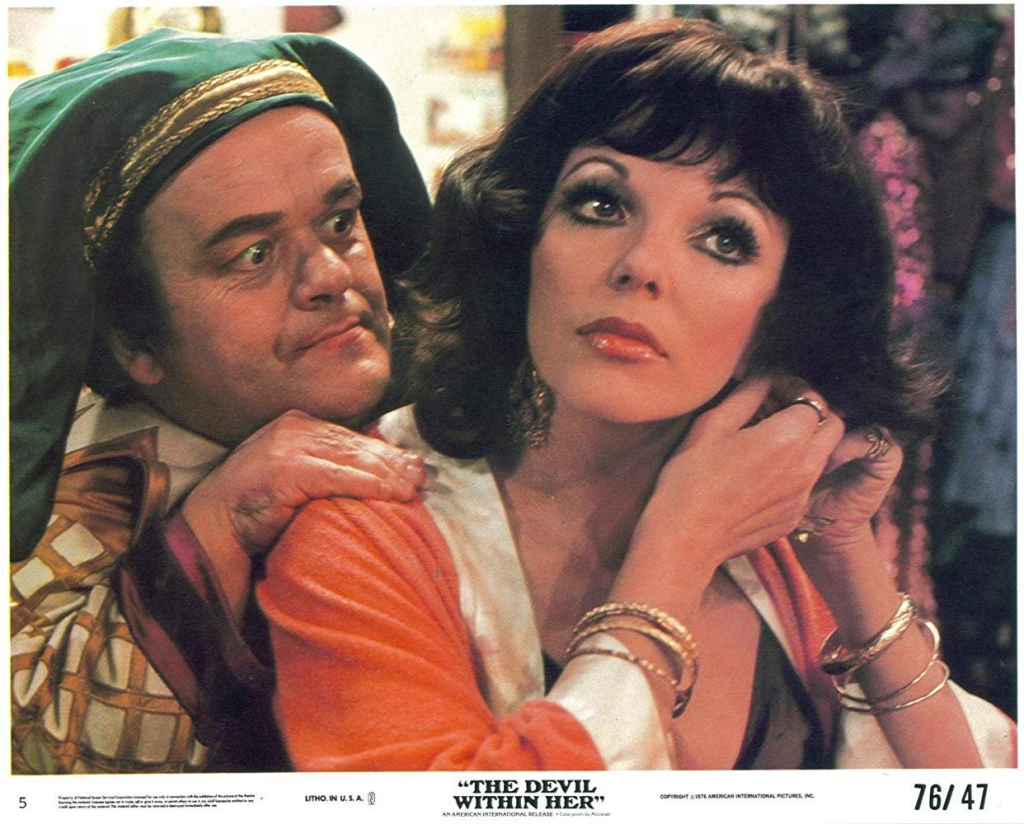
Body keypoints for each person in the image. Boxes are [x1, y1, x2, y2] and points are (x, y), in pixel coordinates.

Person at [259, 20, 1016, 770]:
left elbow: (973, 795)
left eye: (724, 237)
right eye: (600, 204)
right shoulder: (363, 530)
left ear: (779, 312)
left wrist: (847, 560)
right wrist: (679, 545)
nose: (642, 265)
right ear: (524, 235)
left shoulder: (773, 527)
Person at [10, 28, 431, 773]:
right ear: (132, 341)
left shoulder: (465, 401)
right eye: (254, 255)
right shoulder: (57, 498)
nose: (331, 276)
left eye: (340, 222)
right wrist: (225, 518)